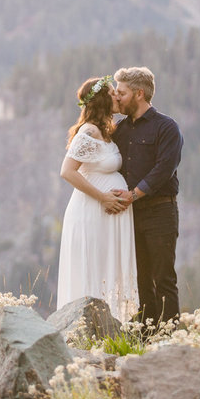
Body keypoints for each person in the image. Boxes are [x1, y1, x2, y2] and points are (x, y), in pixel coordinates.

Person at [55, 74, 138, 321]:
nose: (116, 96)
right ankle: (86, 326)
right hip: (91, 211)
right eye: (112, 92)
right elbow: (67, 171)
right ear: (102, 99)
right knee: (94, 266)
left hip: (106, 213)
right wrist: (103, 197)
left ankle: (111, 325)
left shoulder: (106, 132)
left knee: (107, 267)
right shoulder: (89, 131)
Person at [108, 66, 183, 327]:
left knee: (163, 278)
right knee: (140, 278)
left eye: (122, 93)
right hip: (131, 213)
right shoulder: (120, 129)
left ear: (139, 94)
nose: (117, 98)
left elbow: (165, 168)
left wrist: (133, 194)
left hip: (161, 212)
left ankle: (170, 337)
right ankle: (146, 335)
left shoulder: (166, 127)